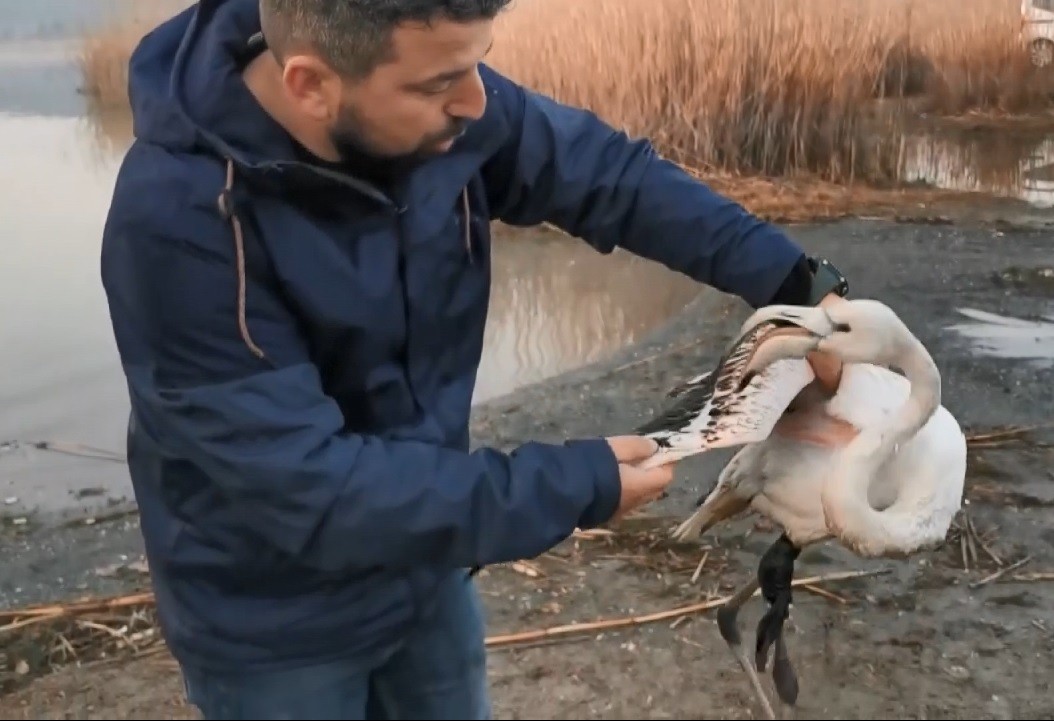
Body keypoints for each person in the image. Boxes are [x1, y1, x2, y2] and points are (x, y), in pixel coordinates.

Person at [99, 0, 849, 718]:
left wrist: (797, 284)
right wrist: (573, 484)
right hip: (272, 624)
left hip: (430, 561)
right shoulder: (178, 224)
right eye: (437, 84)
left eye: (477, 66)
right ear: (311, 85)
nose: (479, 104)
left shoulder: (445, 111)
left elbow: (610, 178)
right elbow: (315, 491)